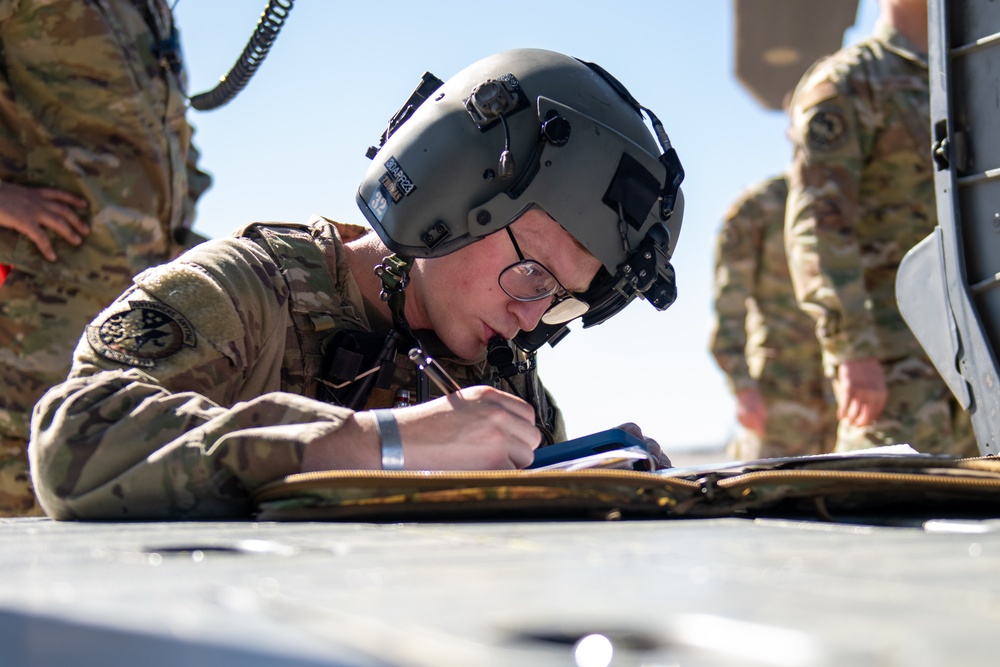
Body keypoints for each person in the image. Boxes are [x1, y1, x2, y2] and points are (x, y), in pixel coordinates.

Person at [28, 48, 685, 520]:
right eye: (533, 272)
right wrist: (379, 444)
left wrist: (601, 487)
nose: (532, 313)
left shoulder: (502, 381)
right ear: (454, 189)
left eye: (559, 297)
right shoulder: (247, 291)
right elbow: (74, 439)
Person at [0, 0, 212, 516]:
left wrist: (179, 231)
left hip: (131, 296)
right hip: (41, 294)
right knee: (17, 473)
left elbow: (163, 133)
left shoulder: (147, 9)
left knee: (94, 474)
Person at [784, 0, 976, 455]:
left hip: (977, 359)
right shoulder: (849, 81)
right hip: (893, 368)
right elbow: (818, 225)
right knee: (891, 504)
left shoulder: (969, 75)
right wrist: (852, 349)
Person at [710, 174, 836, 459]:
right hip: (778, 400)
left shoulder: (846, 203)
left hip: (844, 396)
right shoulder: (759, 208)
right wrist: (742, 388)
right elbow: (728, 313)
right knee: (771, 494)